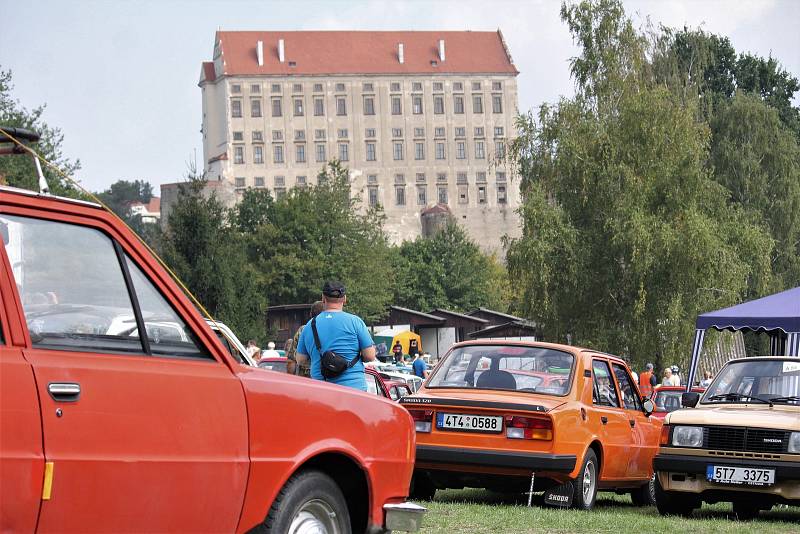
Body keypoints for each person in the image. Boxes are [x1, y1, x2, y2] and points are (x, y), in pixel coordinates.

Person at [296, 281, 376, 391]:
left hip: (321, 390)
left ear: (323, 297)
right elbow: (370, 356)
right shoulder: (355, 322)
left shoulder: (309, 326)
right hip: (354, 389)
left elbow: (300, 360)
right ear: (345, 299)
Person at [286, 300, 324, 376]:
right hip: (327, 378)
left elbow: (291, 361)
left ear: (310, 314)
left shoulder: (302, 330)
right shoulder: (333, 329)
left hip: (306, 379)